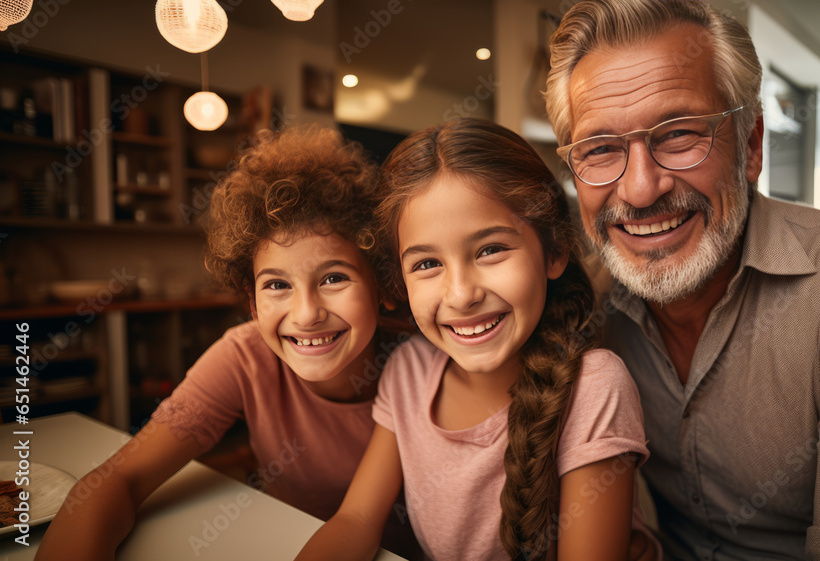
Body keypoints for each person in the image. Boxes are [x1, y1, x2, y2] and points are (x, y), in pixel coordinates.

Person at [544, 1, 820, 560]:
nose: (641, 190)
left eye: (679, 134)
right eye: (599, 149)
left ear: (750, 146)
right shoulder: (580, 305)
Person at [36, 126, 417, 560]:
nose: (306, 313)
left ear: (384, 285)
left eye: (334, 278)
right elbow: (118, 480)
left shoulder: (424, 369)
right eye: (277, 285)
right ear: (252, 305)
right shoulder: (244, 356)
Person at [296, 118, 658, 561]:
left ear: (554, 251)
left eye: (490, 250)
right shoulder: (408, 371)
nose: (462, 294)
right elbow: (355, 521)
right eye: (427, 264)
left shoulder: (594, 387)